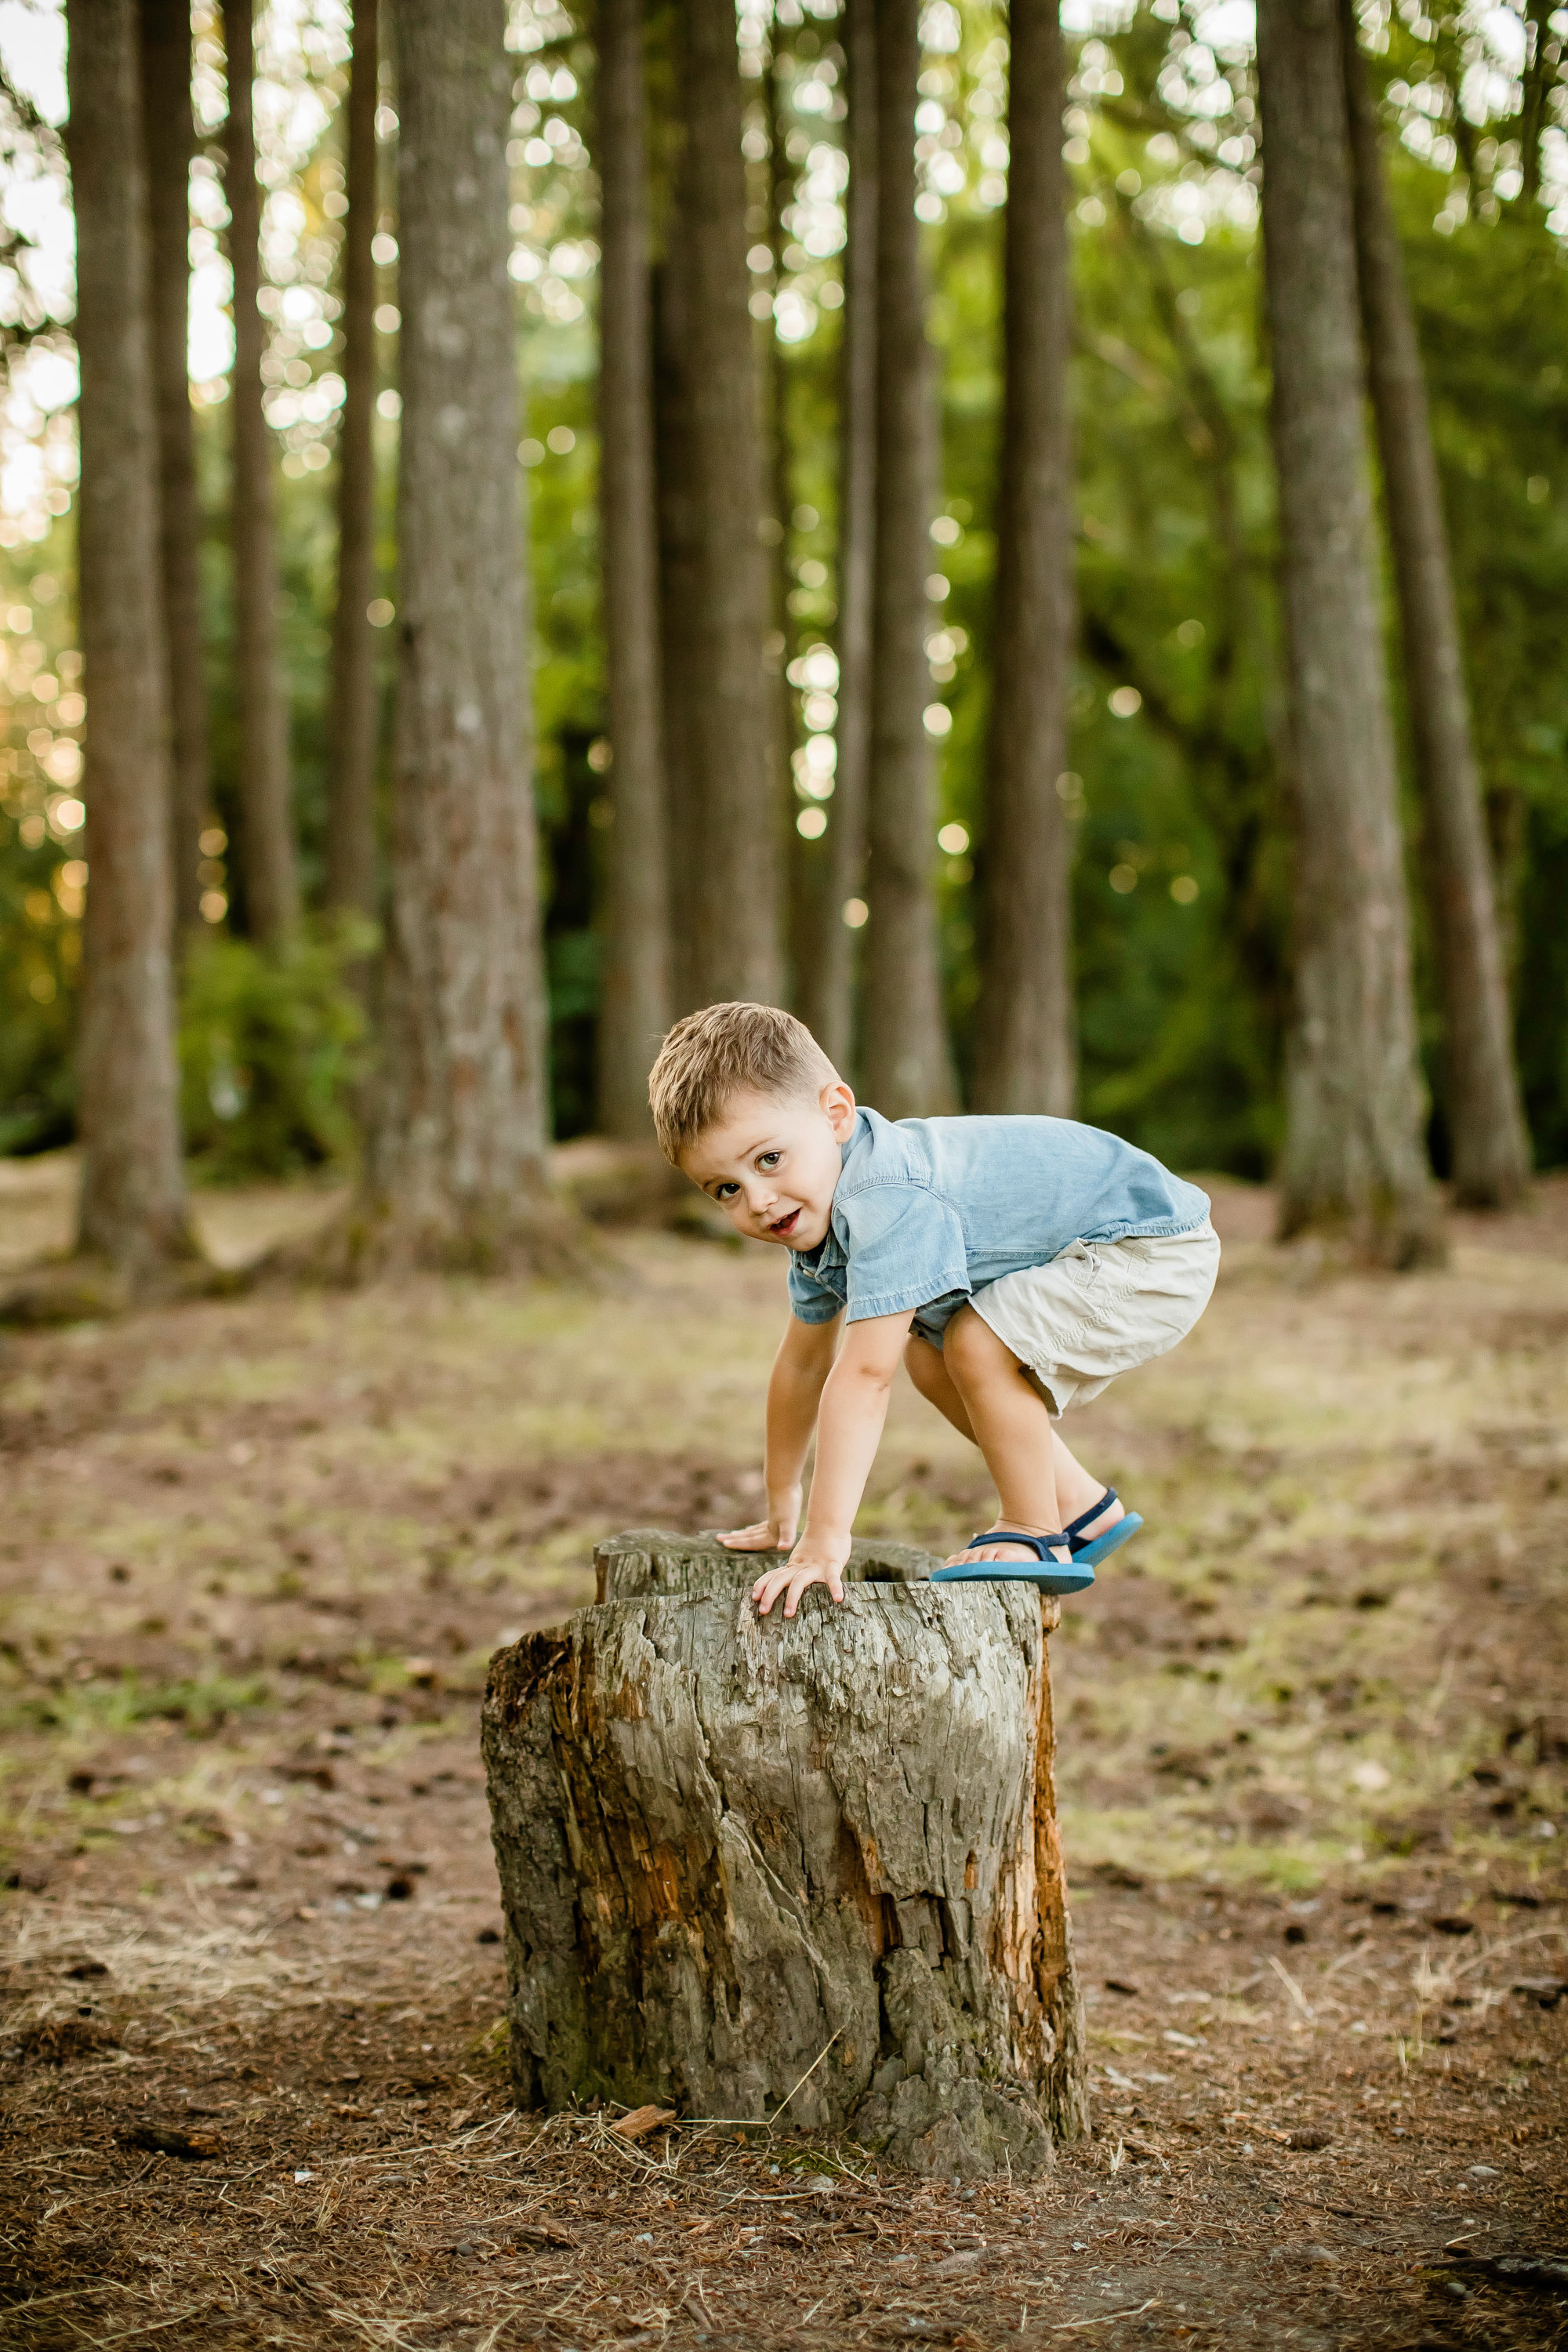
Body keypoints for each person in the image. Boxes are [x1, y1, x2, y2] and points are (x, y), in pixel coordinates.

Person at [648, 1002, 1218, 1620]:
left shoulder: (884, 1200)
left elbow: (864, 1377)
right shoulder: (818, 1226)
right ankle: (1077, 1503)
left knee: (973, 1343)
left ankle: (1035, 1532)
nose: (758, 1201)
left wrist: (824, 1540)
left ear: (835, 1115)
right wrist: (782, 1495)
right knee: (930, 1351)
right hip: (1107, 1246)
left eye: (768, 1160)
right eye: (726, 1189)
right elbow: (803, 1366)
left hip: (1151, 1248)